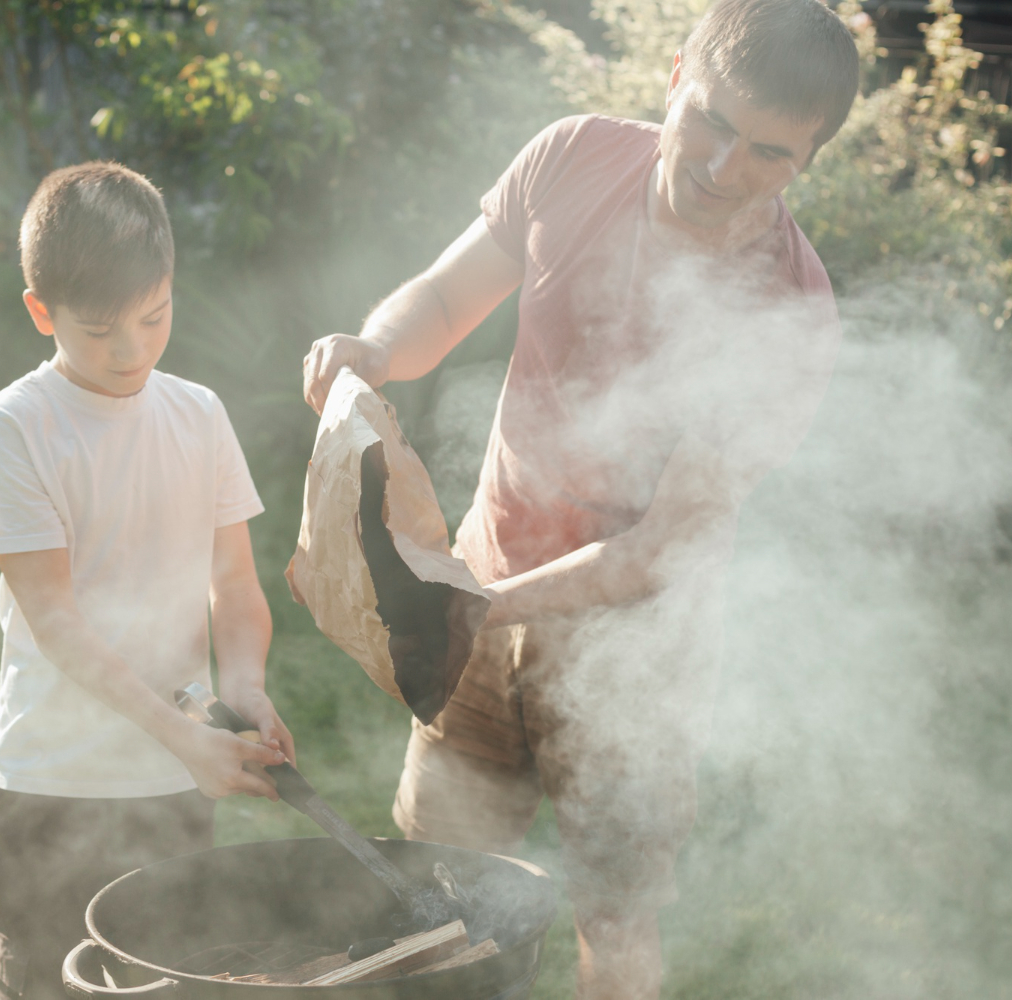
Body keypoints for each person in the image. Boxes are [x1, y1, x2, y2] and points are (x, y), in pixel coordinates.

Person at [301, 1, 859, 997]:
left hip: (639, 656)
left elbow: (656, 550)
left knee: (614, 912)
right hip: (483, 590)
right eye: (713, 122)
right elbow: (436, 303)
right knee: (435, 887)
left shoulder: (790, 311)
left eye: (770, 152)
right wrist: (374, 351)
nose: (725, 169)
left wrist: (478, 602)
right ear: (677, 72)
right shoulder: (572, 160)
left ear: (807, 157)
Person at [0, 161, 294, 1000]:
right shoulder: (14, 428)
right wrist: (182, 737)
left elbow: (235, 584)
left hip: (172, 788)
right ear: (42, 312)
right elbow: (56, 621)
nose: (133, 350)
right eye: (101, 330)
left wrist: (245, 690)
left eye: (154, 318)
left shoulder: (198, 414)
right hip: (52, 787)